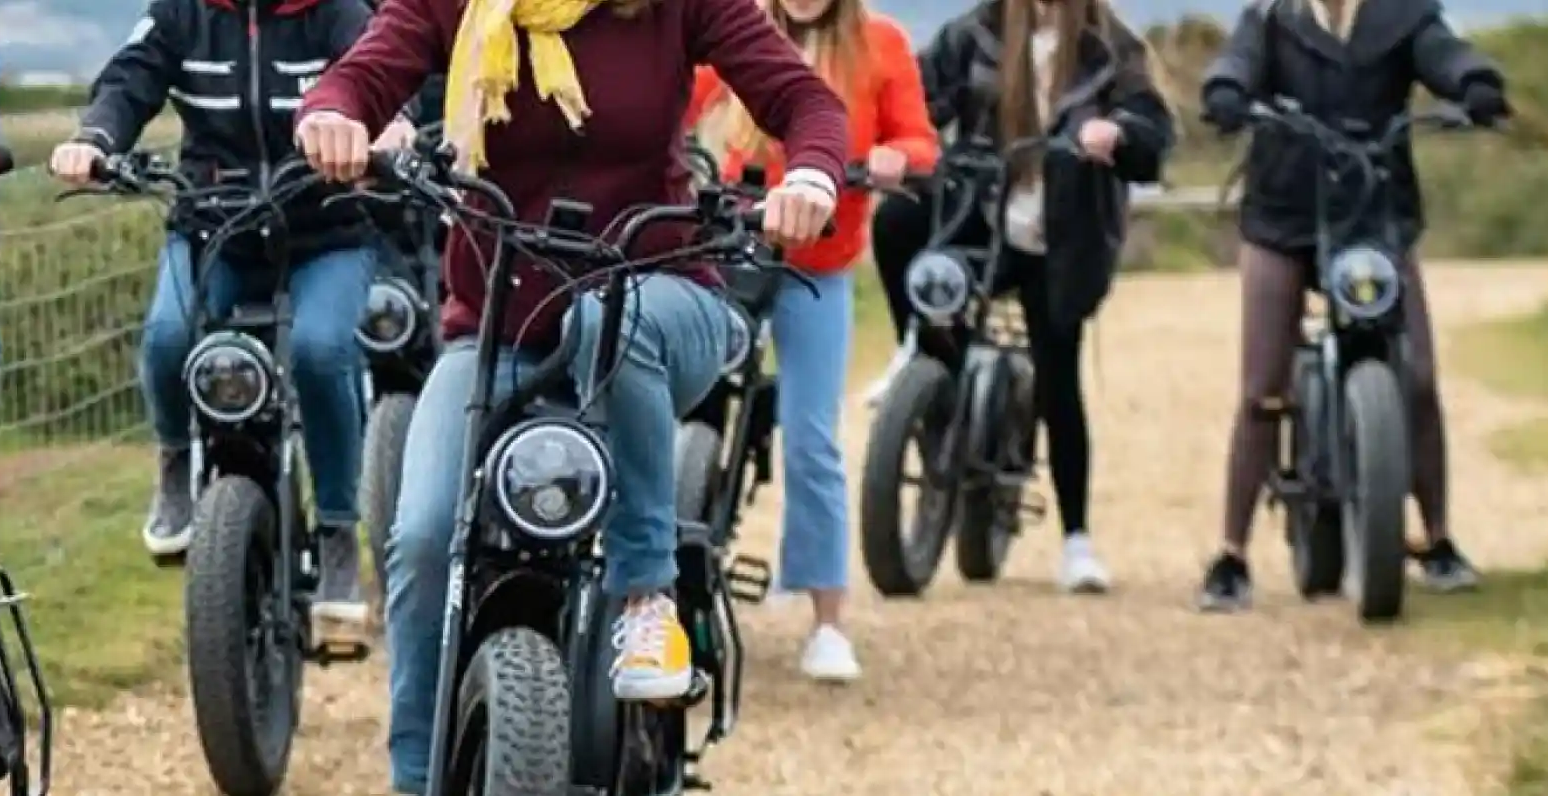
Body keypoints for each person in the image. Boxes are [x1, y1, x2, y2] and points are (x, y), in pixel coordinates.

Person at [290, 0, 850, 786]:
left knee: (604, 316)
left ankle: (646, 599)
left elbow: (807, 101)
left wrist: (812, 175)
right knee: (423, 535)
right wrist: (333, 116)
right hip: (500, 330)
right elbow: (358, 77)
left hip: (659, 303)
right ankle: (416, 773)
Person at [48, 0, 418, 646]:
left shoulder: (336, 12)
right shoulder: (182, 12)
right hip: (211, 225)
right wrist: (94, 140)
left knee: (321, 351)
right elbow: (130, 78)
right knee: (168, 338)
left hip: (326, 232)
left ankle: (337, 532)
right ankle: (175, 464)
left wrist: (392, 129)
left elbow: (380, 71)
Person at [1195, 0, 1506, 611]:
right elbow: (1237, 61)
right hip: (1283, 215)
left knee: (1418, 378)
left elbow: (1443, 53)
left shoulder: (1404, 14)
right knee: (1262, 389)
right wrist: (1226, 91)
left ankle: (1438, 540)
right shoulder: (1271, 18)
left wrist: (1475, 82)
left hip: (1375, 213)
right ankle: (1232, 554)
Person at [864, 0, 1175, 596]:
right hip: (979, 215)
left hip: (1060, 235)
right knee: (898, 222)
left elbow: (1153, 131)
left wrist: (1118, 132)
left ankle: (1077, 540)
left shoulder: (1110, 46)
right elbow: (916, 99)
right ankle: (917, 353)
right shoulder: (974, 34)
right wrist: (894, 141)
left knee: (1058, 375)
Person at [682, 0, 938, 683]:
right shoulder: (733, 27)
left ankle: (828, 622)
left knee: (811, 437)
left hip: (820, 265)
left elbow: (920, 142)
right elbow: (674, 103)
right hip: (730, 252)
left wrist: (892, 158)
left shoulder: (881, 44)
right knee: (681, 404)